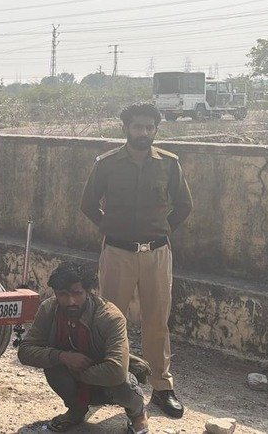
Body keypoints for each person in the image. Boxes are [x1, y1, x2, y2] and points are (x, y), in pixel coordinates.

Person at [80, 102, 193, 419]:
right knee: (111, 321)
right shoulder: (108, 164)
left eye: (149, 127)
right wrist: (110, 227)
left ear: (156, 130)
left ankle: (162, 388)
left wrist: (162, 228)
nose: (143, 132)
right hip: (117, 253)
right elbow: (88, 203)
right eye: (137, 126)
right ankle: (109, 384)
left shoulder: (169, 164)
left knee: (158, 321)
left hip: (157, 253)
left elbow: (184, 205)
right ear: (126, 128)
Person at [18, 264, 149, 433]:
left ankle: (137, 414)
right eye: (63, 295)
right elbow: (25, 351)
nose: (71, 301)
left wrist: (76, 370)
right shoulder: (49, 309)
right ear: (55, 293)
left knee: (124, 384)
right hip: (74, 370)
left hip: (106, 378)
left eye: (77, 293)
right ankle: (77, 410)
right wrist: (63, 357)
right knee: (52, 365)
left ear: (88, 292)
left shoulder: (110, 317)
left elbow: (116, 370)